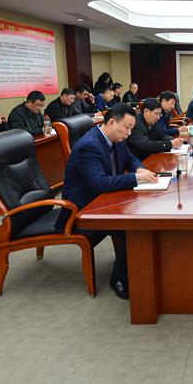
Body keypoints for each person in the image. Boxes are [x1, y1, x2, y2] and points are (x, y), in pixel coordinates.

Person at [56, 104, 159, 300]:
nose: (129, 133)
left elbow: (130, 158)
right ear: (112, 122)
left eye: (131, 128)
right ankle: (120, 278)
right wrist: (135, 178)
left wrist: (139, 169)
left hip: (102, 200)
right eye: (127, 128)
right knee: (128, 225)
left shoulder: (114, 138)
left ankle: (138, 263)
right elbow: (100, 183)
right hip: (82, 209)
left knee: (140, 211)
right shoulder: (89, 145)